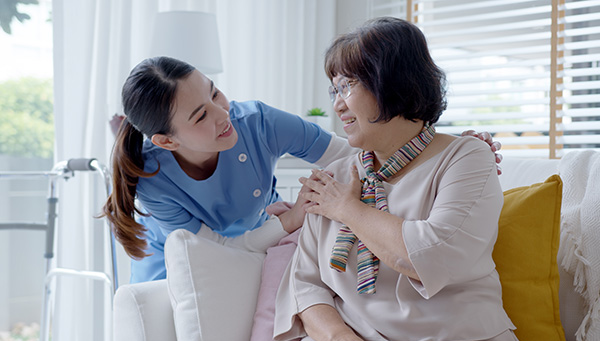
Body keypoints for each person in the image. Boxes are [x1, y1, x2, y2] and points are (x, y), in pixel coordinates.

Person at [102, 56, 502, 284]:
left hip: (260, 236)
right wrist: (291, 219)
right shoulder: (153, 179)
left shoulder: (258, 122)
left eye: (215, 92)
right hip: (182, 263)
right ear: (168, 141)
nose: (224, 113)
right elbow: (214, 252)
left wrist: (443, 147)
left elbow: (356, 151)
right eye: (201, 114)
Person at [273, 17, 527, 341]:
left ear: (392, 82)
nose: (337, 105)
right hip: (354, 338)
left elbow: (431, 255)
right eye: (334, 90)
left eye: (347, 86)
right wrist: (340, 340)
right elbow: (304, 284)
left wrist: (346, 209)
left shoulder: (466, 158)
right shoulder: (334, 178)